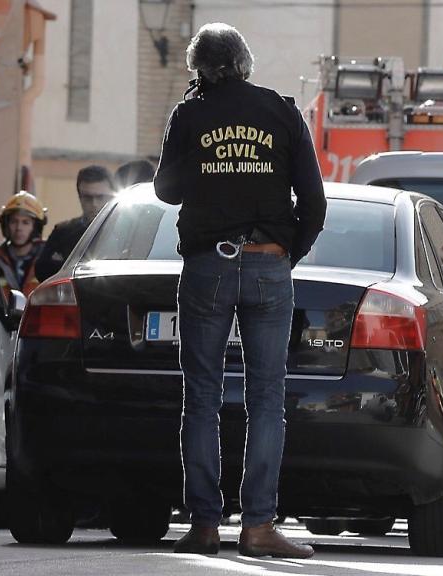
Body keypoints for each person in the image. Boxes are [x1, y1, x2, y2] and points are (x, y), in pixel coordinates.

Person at [154, 22, 326, 559]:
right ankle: (257, 527)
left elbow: (165, 190)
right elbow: (314, 203)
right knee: (266, 399)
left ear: (198, 67)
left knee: (201, 397)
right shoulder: (280, 110)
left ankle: (205, 525)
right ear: (245, 61)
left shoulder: (190, 114)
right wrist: (283, 255)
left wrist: (195, 138)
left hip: (207, 265)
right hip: (267, 266)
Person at [35, 165, 116, 282]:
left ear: (113, 195)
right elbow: (42, 271)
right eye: (88, 198)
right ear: (80, 197)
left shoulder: (128, 232)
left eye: (101, 197)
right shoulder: (62, 233)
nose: (94, 204)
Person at [0, 191, 47, 297]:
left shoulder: (48, 259)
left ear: (36, 227)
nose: (19, 228)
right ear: (5, 225)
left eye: (25, 222)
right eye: (13, 222)